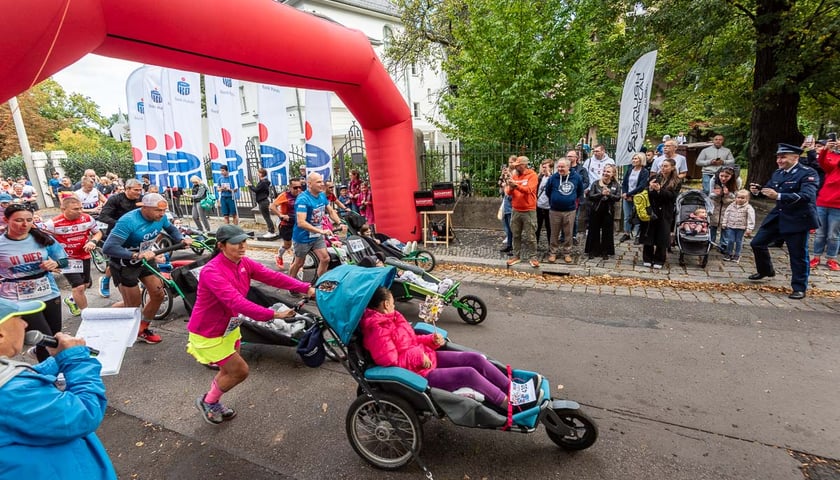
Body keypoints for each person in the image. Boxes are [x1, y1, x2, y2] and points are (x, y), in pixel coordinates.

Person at [188, 225, 314, 424]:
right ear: (221, 245)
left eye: (244, 241)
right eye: (236, 243)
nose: (242, 246)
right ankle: (208, 401)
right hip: (209, 333)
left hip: (230, 326)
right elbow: (236, 302)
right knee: (239, 371)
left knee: (228, 371)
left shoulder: (243, 262)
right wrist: (274, 314)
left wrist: (306, 288)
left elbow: (273, 277)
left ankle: (211, 401)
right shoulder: (212, 271)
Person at [0, 298, 117, 479]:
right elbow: (85, 413)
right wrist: (77, 360)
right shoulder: (11, 393)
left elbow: (17, 377)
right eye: (18, 318)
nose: (24, 324)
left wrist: (56, 361)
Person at [361, 286, 511, 410]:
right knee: (469, 374)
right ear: (386, 304)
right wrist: (417, 356)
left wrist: (431, 340)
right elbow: (390, 362)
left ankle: (510, 387)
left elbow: (411, 340)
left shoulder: (393, 318)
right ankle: (506, 403)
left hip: (426, 357)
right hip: (418, 375)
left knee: (474, 358)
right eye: (393, 303)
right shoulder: (377, 330)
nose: (394, 305)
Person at [102, 193, 192, 343]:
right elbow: (108, 247)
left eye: (164, 210)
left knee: (158, 295)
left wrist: (181, 239)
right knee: (133, 305)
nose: (162, 214)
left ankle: (142, 329)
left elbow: (171, 230)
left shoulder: (161, 217)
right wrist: (135, 255)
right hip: (125, 264)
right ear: (144, 208)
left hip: (146, 259)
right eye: (158, 211)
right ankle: (108, 316)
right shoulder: (128, 221)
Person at [748, 143, 819, 300]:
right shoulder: (779, 173)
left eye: (783, 157)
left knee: (797, 254)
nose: (779, 160)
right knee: (757, 243)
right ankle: (766, 270)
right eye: (778, 157)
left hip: (798, 218)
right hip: (779, 215)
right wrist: (759, 191)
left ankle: (799, 287)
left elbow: (807, 196)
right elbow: (771, 189)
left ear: (795, 157)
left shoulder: (808, 173)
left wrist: (778, 196)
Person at [0, 204, 68, 361]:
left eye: (29, 220)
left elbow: (64, 260)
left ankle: (42, 356)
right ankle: (49, 376)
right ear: (6, 220)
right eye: (18, 220)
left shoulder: (42, 238)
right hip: (18, 298)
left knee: (55, 336)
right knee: (44, 339)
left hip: (48, 291)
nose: (25, 225)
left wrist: (55, 264)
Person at [42, 197, 102, 316]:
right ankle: (87, 315)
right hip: (66, 259)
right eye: (75, 209)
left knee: (85, 284)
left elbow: (98, 232)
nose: (80, 211)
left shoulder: (87, 218)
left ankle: (71, 300)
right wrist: (50, 261)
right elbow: (41, 242)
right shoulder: (52, 224)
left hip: (83, 255)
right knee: (78, 287)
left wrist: (93, 242)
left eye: (81, 208)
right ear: (63, 209)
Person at [288, 173, 345, 280]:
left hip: (317, 235)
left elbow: (331, 210)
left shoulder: (322, 196)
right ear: (309, 184)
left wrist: (339, 222)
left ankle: (320, 282)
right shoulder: (303, 199)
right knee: (299, 263)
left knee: (325, 259)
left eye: (322, 181)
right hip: (302, 237)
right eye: (318, 182)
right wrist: (322, 231)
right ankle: (291, 282)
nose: (322, 184)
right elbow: (301, 222)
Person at [97, 178, 144, 298]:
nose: (139, 192)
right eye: (136, 190)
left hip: (136, 234)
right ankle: (106, 280)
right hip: (117, 234)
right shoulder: (115, 199)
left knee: (140, 257)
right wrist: (120, 224)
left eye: (140, 190)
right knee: (116, 261)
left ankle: (142, 280)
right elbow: (103, 216)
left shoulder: (141, 199)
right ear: (127, 189)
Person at [639, 158, 681, 269]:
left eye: (666, 166)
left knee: (662, 235)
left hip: (665, 211)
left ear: (672, 168)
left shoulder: (676, 181)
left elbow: (672, 196)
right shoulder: (655, 177)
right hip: (652, 209)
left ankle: (659, 259)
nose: (663, 168)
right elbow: (645, 191)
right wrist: (651, 188)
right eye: (662, 166)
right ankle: (647, 257)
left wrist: (659, 190)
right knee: (649, 233)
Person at [546, 157, 585, 264]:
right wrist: (555, 200)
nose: (560, 168)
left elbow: (580, 191)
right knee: (554, 233)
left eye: (562, 167)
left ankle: (567, 253)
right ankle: (553, 252)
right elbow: (548, 191)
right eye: (558, 166)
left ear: (568, 167)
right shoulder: (553, 178)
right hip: (555, 210)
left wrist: (570, 200)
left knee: (568, 233)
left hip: (570, 210)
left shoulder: (576, 177)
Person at [809, 137, 840, 271]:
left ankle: (831, 259)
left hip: (838, 206)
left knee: (833, 235)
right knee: (820, 233)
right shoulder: (833, 163)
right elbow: (821, 162)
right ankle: (816, 257)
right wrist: (827, 148)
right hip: (823, 202)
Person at [504, 156, 539, 268]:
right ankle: (516, 256)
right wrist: (510, 186)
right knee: (516, 234)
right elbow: (509, 193)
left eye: (517, 166)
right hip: (516, 210)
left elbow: (529, 190)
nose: (515, 167)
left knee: (530, 236)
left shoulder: (532, 175)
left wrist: (516, 186)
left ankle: (533, 258)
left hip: (529, 210)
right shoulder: (515, 176)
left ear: (523, 165)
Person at [584, 164, 621, 259]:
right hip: (596, 209)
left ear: (613, 174)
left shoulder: (616, 185)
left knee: (607, 232)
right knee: (593, 230)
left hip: (608, 210)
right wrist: (601, 194)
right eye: (604, 171)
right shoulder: (596, 183)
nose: (605, 173)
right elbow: (591, 196)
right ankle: (593, 250)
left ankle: (605, 251)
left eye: (608, 171)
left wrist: (609, 195)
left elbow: (617, 198)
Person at [271, 178, 303, 269]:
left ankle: (297, 264)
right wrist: (281, 215)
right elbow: (272, 206)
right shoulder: (285, 195)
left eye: (300, 187)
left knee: (299, 243)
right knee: (287, 245)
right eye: (295, 187)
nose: (298, 190)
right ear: (290, 187)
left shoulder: (302, 195)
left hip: (299, 223)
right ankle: (279, 256)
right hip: (286, 225)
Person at [709, 166, 741, 253]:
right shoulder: (714, 179)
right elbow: (710, 195)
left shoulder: (737, 180)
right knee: (713, 223)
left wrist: (728, 194)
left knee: (726, 224)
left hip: (728, 204)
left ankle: (724, 244)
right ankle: (710, 242)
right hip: (716, 202)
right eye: (721, 176)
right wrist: (716, 194)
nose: (723, 178)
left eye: (726, 177)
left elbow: (737, 196)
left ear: (732, 176)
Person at [620, 153, 650, 242]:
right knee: (627, 216)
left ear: (641, 160)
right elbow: (624, 182)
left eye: (636, 158)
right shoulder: (630, 170)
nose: (634, 160)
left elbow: (641, 186)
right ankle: (627, 233)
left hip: (637, 197)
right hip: (627, 196)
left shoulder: (644, 172)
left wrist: (630, 194)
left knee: (638, 216)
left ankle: (638, 235)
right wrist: (625, 193)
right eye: (633, 158)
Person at [720, 190, 755, 263]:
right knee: (730, 240)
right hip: (731, 226)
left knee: (739, 241)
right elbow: (726, 214)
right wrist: (724, 223)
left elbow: (751, 218)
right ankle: (729, 253)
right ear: (735, 198)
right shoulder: (731, 205)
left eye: (743, 198)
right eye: (738, 197)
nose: (740, 199)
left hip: (741, 227)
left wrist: (749, 228)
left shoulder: (748, 208)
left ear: (747, 199)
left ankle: (737, 254)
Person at [247, 168, 276, 239]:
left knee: (267, 217)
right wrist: (251, 185)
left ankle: (271, 232)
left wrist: (249, 185)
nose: (257, 173)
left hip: (263, 202)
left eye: (258, 172)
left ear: (261, 174)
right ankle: (271, 231)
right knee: (267, 217)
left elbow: (256, 190)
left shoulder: (263, 182)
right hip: (263, 201)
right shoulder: (264, 182)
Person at [498, 156, 516, 254]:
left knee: (512, 225)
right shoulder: (506, 172)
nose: (510, 164)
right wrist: (503, 178)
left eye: (512, 162)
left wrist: (509, 178)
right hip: (505, 198)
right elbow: (499, 183)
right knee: (506, 223)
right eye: (509, 162)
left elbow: (514, 184)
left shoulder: (516, 173)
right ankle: (509, 245)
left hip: (512, 200)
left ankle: (514, 247)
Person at [535, 159, 553, 248]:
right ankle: (535, 244)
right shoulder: (540, 177)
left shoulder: (553, 178)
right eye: (543, 167)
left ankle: (551, 246)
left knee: (549, 228)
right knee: (537, 227)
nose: (544, 169)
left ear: (551, 168)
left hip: (549, 207)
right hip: (539, 206)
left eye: (546, 167)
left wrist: (549, 176)